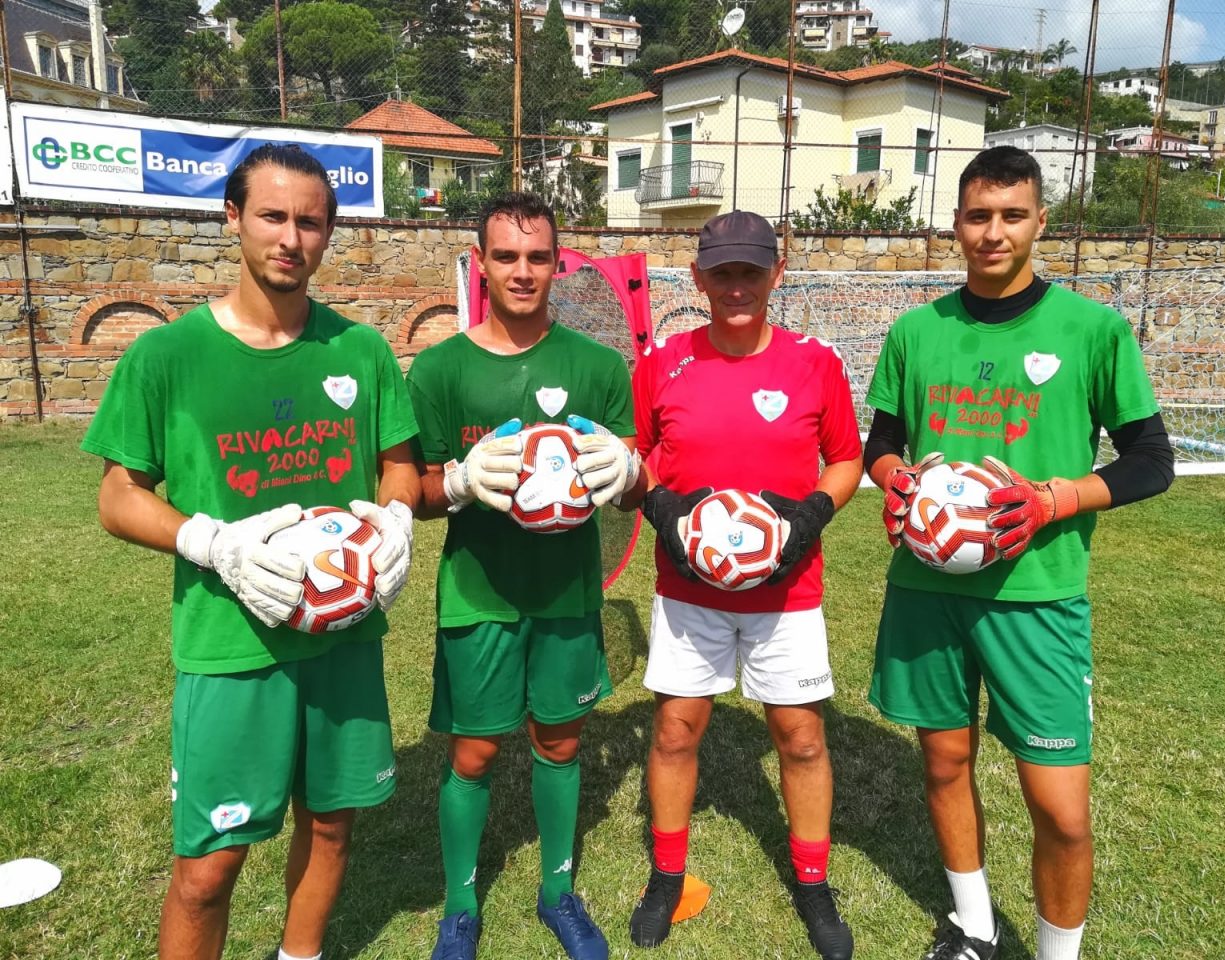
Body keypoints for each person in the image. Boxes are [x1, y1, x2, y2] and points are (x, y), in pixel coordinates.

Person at [81, 143, 420, 960]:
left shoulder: (361, 351)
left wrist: (397, 523)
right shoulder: (166, 356)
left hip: (342, 633)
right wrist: (211, 540)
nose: (290, 238)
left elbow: (399, 468)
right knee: (208, 867)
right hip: (230, 648)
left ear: (329, 234)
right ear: (232, 218)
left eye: (310, 222)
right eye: (272, 215)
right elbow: (117, 496)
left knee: (333, 828)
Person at [865, 145, 1174, 960]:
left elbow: (1152, 461)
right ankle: (973, 928)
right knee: (942, 766)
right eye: (977, 216)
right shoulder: (915, 331)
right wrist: (897, 480)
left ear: (1042, 221)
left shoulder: (1091, 330)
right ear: (956, 224)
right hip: (927, 590)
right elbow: (882, 443)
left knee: (1063, 811)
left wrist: (1052, 500)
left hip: (1038, 596)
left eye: (1011, 215)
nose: (992, 233)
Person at [407, 191, 642, 960]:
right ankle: (460, 906)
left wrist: (630, 468)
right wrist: (462, 481)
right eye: (506, 256)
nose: (522, 271)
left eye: (538, 256)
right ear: (481, 263)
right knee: (473, 752)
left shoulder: (601, 367)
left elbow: (632, 484)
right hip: (478, 593)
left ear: (558, 264)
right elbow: (413, 496)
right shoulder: (441, 370)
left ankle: (557, 892)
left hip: (568, 594)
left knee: (562, 745)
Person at [627, 210, 863, 960]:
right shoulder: (662, 361)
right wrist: (663, 506)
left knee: (798, 735)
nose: (736, 286)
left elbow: (846, 459)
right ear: (697, 278)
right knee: (674, 730)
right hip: (688, 588)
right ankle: (667, 876)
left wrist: (811, 515)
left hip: (785, 590)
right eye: (721, 273)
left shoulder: (814, 362)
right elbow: (636, 455)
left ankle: (813, 882)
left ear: (775, 274)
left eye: (750, 272)